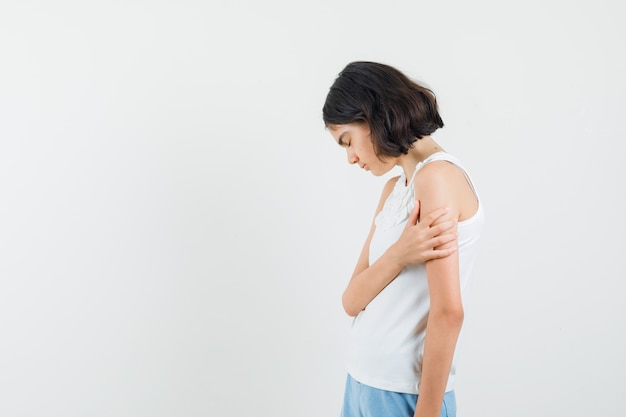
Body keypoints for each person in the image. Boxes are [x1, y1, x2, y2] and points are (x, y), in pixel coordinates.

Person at [322, 61, 485, 417]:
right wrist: (399, 255)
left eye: (348, 141)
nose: (350, 158)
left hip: (405, 395)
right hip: (362, 383)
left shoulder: (437, 178)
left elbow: (449, 312)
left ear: (374, 115)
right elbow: (351, 301)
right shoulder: (394, 189)